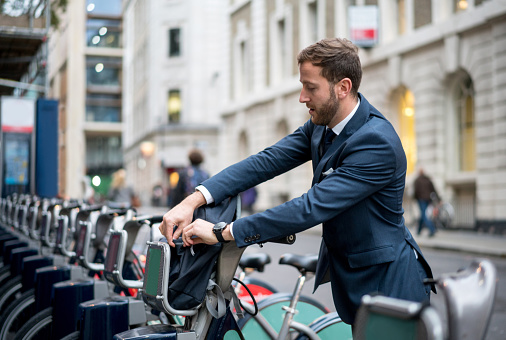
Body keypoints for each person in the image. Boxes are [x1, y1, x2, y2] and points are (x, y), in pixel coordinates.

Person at [159, 38, 434, 326]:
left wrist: (222, 232)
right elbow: (265, 162)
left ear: (343, 87)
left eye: (311, 88)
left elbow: (309, 208)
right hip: (357, 283)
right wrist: (193, 200)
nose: (302, 97)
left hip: (390, 287)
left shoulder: (375, 142)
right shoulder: (320, 126)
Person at [414, 168, 438, 237]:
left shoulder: (417, 180)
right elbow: (434, 189)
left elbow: (416, 191)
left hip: (421, 199)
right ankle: (418, 230)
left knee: (424, 214)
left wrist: (415, 198)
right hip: (428, 199)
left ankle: (432, 229)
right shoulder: (428, 180)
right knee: (423, 214)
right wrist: (438, 198)